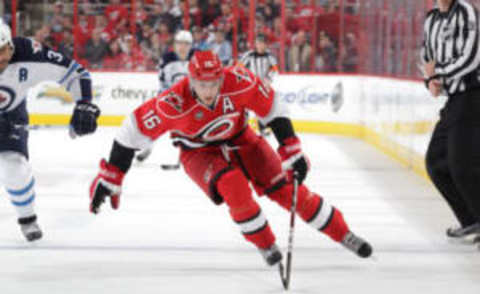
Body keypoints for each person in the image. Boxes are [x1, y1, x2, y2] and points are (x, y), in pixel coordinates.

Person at [89, 50, 372, 266]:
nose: (209, 91)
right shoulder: (172, 103)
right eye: (202, 84)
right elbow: (131, 133)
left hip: (243, 140)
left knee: (288, 190)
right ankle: (265, 244)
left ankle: (343, 233)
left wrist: (291, 148)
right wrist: (111, 178)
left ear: (222, 76)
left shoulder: (239, 80)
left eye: (214, 83)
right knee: (234, 186)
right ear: (191, 80)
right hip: (198, 152)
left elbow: (272, 105)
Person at [0, 22, 100, 241]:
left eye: (2, 50)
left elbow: (77, 73)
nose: (0, 59)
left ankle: (27, 218)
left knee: (13, 169)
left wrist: (84, 104)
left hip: (9, 118)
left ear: (10, 44)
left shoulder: (29, 53)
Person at [422, 0, 480, 240]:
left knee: (462, 166)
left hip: (473, 96)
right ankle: (471, 221)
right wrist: (429, 80)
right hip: (454, 100)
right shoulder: (431, 18)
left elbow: (473, 57)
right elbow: (426, 57)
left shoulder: (466, 11)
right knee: (436, 162)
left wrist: (439, 74)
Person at [136, 30, 195, 162]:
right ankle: (147, 147)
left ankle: (192, 154)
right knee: (155, 123)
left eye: (186, 44)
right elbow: (163, 81)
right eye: (180, 43)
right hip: (169, 97)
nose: (182, 47)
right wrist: (168, 98)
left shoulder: (196, 60)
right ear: (175, 45)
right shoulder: (167, 59)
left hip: (190, 100)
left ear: (190, 46)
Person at [239, 33, 279, 136]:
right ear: (255, 44)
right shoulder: (249, 55)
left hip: (263, 86)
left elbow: (275, 69)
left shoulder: (270, 56)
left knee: (262, 107)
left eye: (262, 43)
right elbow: (239, 67)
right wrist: (245, 78)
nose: (260, 45)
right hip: (250, 85)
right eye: (258, 43)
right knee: (245, 107)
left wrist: (269, 79)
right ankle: (242, 128)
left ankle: (262, 128)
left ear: (266, 45)